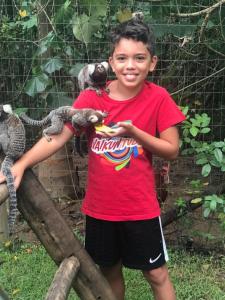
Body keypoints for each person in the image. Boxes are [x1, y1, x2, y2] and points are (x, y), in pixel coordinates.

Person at [0, 19, 185, 300]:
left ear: (152, 62)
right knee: (109, 271)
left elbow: (171, 149)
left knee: (157, 274)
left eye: (139, 58)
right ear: (111, 62)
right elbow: (59, 135)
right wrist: (22, 163)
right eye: (122, 58)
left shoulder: (159, 98)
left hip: (141, 208)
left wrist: (135, 132)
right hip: (101, 209)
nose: (130, 66)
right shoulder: (92, 97)